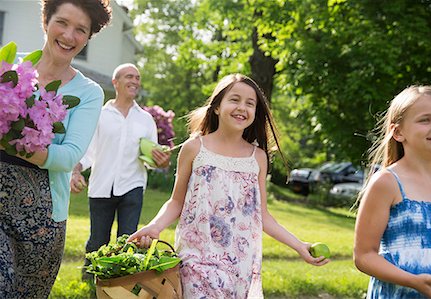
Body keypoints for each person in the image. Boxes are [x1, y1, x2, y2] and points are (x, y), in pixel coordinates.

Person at [128, 74, 329, 298]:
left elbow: (262, 215)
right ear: (216, 107)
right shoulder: (195, 149)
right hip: (196, 260)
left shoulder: (258, 158)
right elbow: (176, 201)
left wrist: (299, 245)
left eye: (249, 103)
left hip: (239, 267)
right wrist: (155, 227)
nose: (241, 107)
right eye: (234, 99)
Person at [0, 0, 112, 298]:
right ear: (46, 20)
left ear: (88, 38)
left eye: (81, 30)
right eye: (62, 22)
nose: (69, 35)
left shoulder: (88, 92)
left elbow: (68, 156)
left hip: (43, 217)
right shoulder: (8, 67)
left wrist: (12, 141)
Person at [70, 63, 171, 280]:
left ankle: (120, 283)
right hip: (101, 185)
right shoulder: (100, 114)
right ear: (115, 82)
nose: (135, 81)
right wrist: (76, 170)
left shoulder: (145, 119)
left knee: (127, 239)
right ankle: (89, 278)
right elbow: (88, 151)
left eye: (137, 77)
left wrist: (161, 162)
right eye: (129, 76)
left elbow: (151, 157)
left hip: (132, 186)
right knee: (98, 239)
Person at [353, 85, 431, 299]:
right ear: (398, 132)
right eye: (425, 120)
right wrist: (414, 282)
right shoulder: (387, 183)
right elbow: (364, 255)